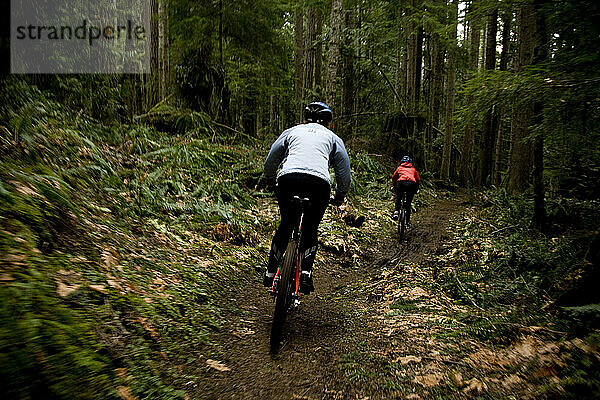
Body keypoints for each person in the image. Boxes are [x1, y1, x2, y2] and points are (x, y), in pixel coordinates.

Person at [262, 101, 351, 294]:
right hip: (319, 184)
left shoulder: (292, 132)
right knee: (310, 227)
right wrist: (340, 195)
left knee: (286, 223)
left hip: (289, 178)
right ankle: (306, 273)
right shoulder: (333, 138)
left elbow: (272, 159)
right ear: (328, 122)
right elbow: (344, 172)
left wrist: (269, 179)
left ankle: (270, 271)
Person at [392, 155, 420, 226]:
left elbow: (394, 177)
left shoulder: (399, 168)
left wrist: (395, 186)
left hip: (401, 183)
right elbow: (417, 180)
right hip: (411, 184)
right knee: (408, 204)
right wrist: (416, 189)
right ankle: (407, 222)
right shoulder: (413, 169)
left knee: (398, 198)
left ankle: (396, 212)